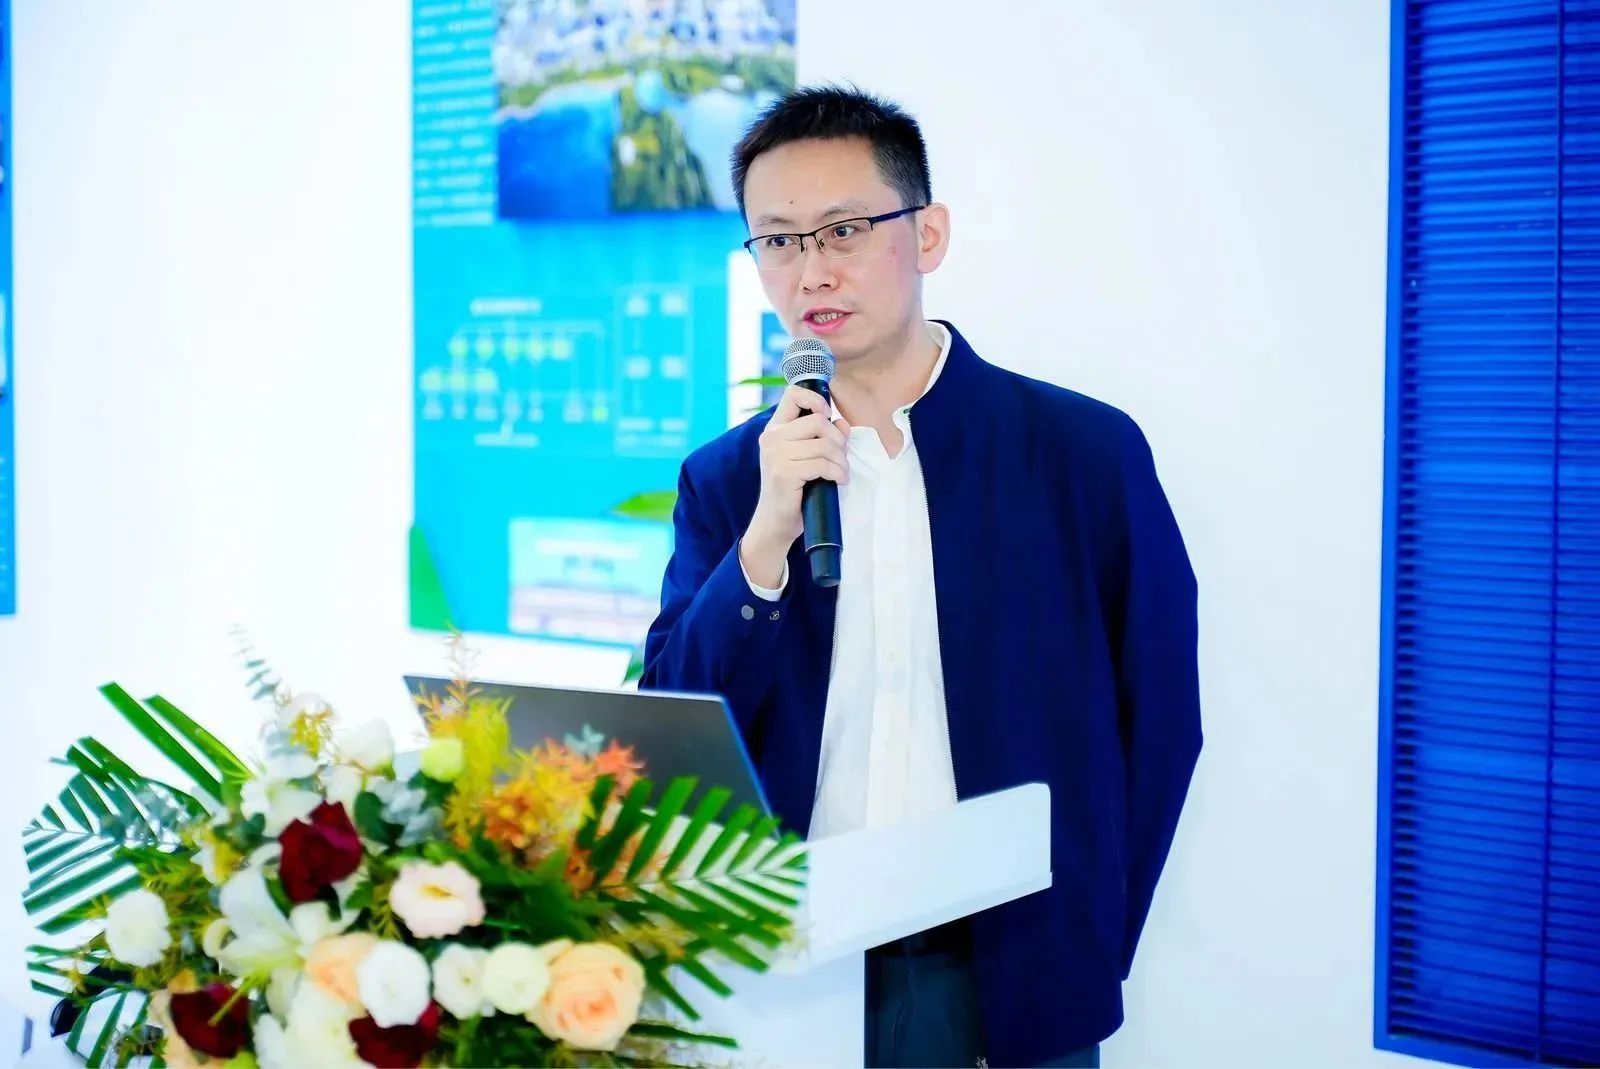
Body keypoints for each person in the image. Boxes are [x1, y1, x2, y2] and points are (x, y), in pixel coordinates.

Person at [639, 85, 1202, 1069]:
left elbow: (1158, 723)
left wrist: (1087, 939)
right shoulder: (729, 480)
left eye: (843, 230)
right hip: (793, 967)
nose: (812, 269)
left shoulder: (1081, 454)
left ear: (927, 234)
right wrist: (766, 539)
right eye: (778, 241)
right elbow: (675, 729)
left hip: (1014, 961)